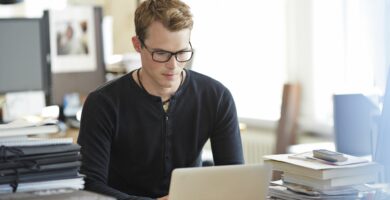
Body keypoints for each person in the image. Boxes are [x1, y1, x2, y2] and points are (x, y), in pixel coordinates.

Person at [77, 0, 244, 199]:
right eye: (161, 53)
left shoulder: (216, 97)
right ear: (137, 45)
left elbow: (235, 179)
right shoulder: (103, 103)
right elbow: (90, 186)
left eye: (182, 52)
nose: (173, 65)